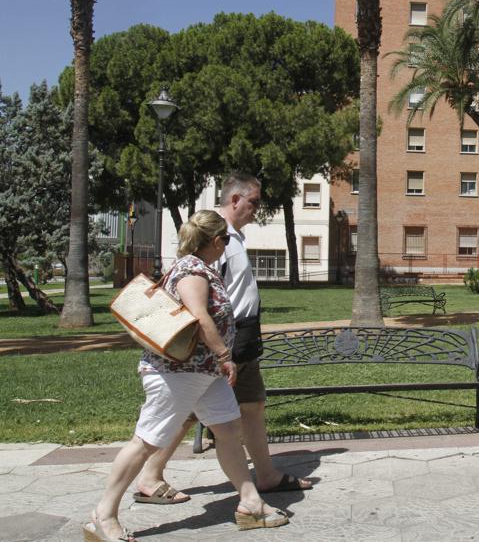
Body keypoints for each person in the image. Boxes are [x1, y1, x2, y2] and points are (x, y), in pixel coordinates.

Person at [85, 210, 288, 542]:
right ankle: (102, 516)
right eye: (225, 240)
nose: (227, 245)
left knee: (229, 431)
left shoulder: (199, 268)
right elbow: (199, 317)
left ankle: (251, 503)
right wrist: (224, 355)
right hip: (179, 373)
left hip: (203, 372)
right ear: (216, 240)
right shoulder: (193, 271)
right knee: (146, 442)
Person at [134, 173, 312, 505]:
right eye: (253, 202)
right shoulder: (218, 240)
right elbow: (200, 297)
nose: (257, 208)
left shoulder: (233, 238)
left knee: (249, 404)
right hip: (227, 341)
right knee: (196, 410)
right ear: (235, 199)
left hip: (242, 336)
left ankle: (265, 475)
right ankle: (150, 475)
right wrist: (220, 349)